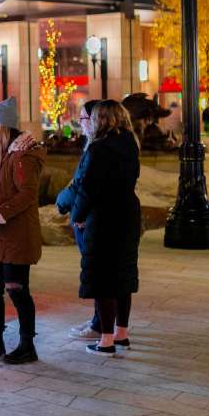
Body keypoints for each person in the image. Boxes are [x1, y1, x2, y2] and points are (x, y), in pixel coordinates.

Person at [0, 97, 45, 365]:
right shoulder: (7, 154)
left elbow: (27, 195)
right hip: (0, 235)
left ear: (3, 126)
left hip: (16, 234)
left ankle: (27, 345)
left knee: (16, 287)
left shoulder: (22, 156)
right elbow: (4, 191)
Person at [66, 100, 142, 357]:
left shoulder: (97, 150)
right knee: (123, 275)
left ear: (102, 120)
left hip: (105, 216)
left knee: (103, 279)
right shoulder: (130, 144)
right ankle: (122, 333)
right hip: (128, 214)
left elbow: (88, 189)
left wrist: (77, 215)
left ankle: (106, 340)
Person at [59, 100, 105, 342]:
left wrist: (73, 211)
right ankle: (102, 321)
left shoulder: (97, 149)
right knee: (104, 275)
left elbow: (83, 186)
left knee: (99, 275)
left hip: (90, 221)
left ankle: (101, 325)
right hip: (90, 218)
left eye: (83, 118)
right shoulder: (100, 146)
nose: (80, 123)